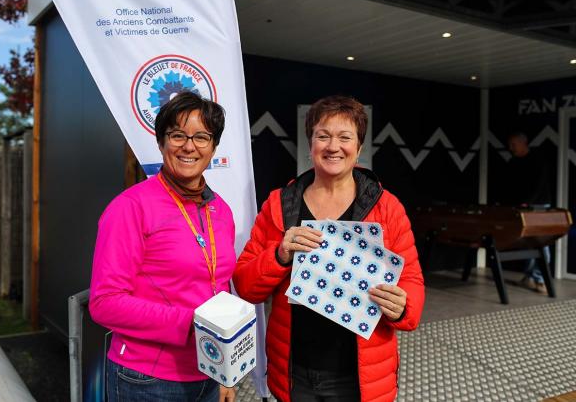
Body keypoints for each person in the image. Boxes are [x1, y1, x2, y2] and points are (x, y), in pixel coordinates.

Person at [232, 95, 425, 402]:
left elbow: (412, 280)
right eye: (323, 136)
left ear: (359, 148)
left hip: (360, 379)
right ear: (310, 144)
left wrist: (404, 307)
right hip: (294, 373)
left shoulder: (386, 207)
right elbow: (245, 285)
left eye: (345, 137)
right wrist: (280, 255)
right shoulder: (280, 204)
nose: (333, 146)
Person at [89, 91, 236, 402]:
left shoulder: (220, 210)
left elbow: (219, 287)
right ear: (161, 142)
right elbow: (104, 302)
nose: (189, 146)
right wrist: (188, 322)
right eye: (177, 135)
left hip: (208, 371)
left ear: (213, 147)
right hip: (146, 379)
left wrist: (226, 370)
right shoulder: (130, 207)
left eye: (201, 137)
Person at [505, 131, 552, 295]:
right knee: (529, 243)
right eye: (510, 145)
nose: (510, 148)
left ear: (522, 142)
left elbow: (539, 184)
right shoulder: (514, 161)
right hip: (523, 207)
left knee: (541, 243)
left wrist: (528, 203)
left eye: (513, 145)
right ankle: (529, 277)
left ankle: (540, 280)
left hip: (539, 207)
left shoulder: (537, 160)